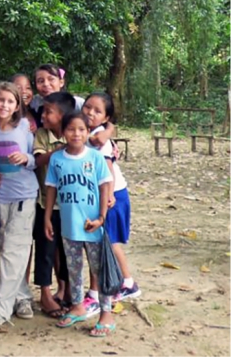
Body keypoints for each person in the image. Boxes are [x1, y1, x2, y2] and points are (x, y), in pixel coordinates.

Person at [44, 112, 116, 337]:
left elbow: (105, 186)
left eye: (82, 129)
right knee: (73, 269)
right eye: (71, 129)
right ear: (63, 132)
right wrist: (47, 217)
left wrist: (101, 217)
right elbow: (51, 189)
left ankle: (106, 313)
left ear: (88, 132)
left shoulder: (95, 157)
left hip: (93, 225)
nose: (76, 134)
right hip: (69, 226)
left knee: (98, 268)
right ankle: (77, 305)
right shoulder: (57, 159)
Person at [0, 82, 39, 329]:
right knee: (7, 248)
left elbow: (35, 157)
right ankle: (22, 297)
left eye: (10, 102)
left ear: (18, 106)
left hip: (24, 195)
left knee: (15, 249)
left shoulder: (25, 126)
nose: (4, 105)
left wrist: (26, 158)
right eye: (0, 100)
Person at [82, 93, 140, 311]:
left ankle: (125, 283)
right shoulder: (89, 133)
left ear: (106, 118)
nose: (90, 112)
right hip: (105, 194)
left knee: (109, 242)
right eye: (88, 107)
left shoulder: (101, 139)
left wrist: (108, 197)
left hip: (111, 195)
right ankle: (121, 283)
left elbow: (107, 169)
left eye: (97, 111)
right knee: (107, 241)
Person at [32, 92, 75, 318]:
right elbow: (38, 160)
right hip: (45, 204)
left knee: (68, 251)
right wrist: (57, 151)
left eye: (49, 111)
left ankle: (67, 291)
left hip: (70, 206)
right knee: (45, 250)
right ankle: (45, 294)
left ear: (63, 115)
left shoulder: (75, 136)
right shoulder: (41, 135)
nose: (44, 115)